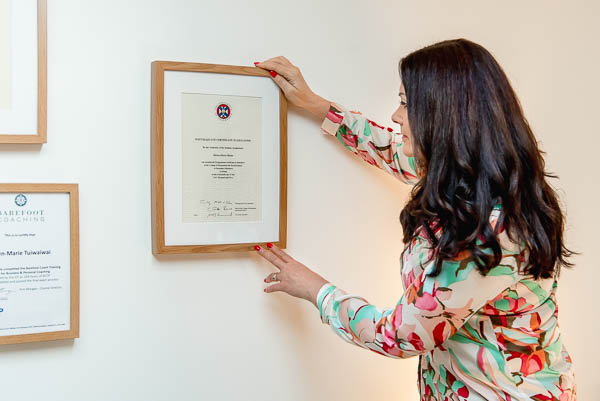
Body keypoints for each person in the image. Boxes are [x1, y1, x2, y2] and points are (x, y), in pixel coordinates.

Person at [252, 38, 576, 401]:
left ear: (443, 114)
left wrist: (314, 289)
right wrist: (316, 106)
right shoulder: (475, 175)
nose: (395, 115)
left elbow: (401, 335)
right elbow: (397, 153)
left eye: (406, 103)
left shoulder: (487, 232)